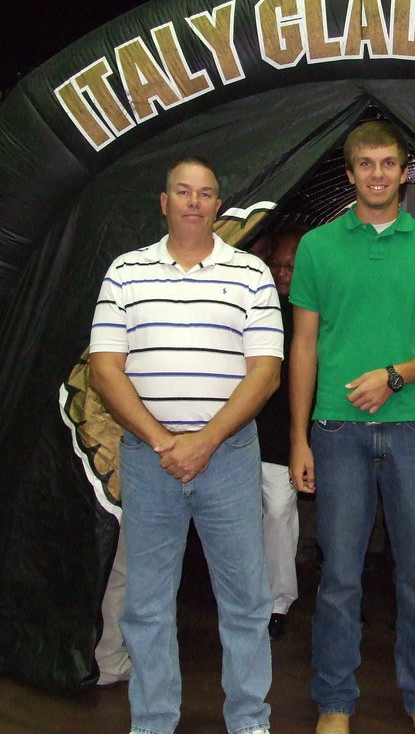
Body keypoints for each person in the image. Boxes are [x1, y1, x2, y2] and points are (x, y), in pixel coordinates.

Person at [289, 120, 415, 734]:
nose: (376, 174)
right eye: (365, 164)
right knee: (339, 576)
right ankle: (335, 704)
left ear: (403, 172)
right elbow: (305, 348)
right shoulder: (317, 247)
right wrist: (297, 440)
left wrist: (396, 375)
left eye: (387, 163)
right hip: (335, 432)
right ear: (350, 174)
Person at [89, 156, 283, 734]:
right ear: (164, 201)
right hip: (150, 462)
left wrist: (204, 441)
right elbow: (104, 368)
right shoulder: (125, 272)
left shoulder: (250, 275)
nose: (195, 202)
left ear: (217, 206)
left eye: (205, 193)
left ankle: (249, 719)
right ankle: (152, 721)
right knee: (146, 604)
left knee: (246, 600)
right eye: (183, 192)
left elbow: (265, 372)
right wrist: (164, 442)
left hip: (227, 459)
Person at [259, 225, 308, 641]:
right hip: (243, 429)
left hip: (284, 433)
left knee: (278, 513)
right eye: (277, 264)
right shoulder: (255, 301)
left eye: (290, 266)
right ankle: (249, 596)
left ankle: (279, 600)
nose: (282, 273)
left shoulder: (313, 308)